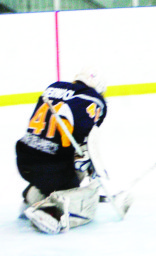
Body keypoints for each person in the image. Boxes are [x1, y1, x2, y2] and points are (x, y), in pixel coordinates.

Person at [16, 66, 107, 233]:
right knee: (89, 201)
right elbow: (72, 124)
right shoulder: (93, 99)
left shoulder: (53, 88)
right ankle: (51, 212)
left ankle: (32, 197)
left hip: (24, 160)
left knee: (62, 177)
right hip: (50, 167)